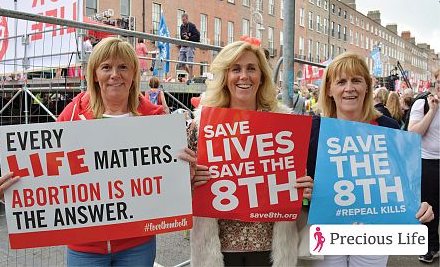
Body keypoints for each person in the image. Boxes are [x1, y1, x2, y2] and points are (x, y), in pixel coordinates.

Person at [0, 37, 165, 267]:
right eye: (106, 67)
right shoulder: (73, 114)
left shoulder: (156, 119)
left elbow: (168, 179)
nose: (115, 74)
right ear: (94, 74)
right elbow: (48, 168)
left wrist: (186, 173)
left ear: (134, 73)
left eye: (123, 66)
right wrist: (17, 194)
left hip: (137, 244)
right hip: (85, 247)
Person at [178, 40, 314, 266]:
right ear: (225, 76)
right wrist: (189, 182)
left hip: (271, 250)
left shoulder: (284, 126)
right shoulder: (201, 126)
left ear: (261, 77)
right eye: (236, 69)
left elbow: (297, 183)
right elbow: (177, 189)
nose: (244, 76)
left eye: (251, 68)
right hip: (218, 252)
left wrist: (306, 190)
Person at [306, 52, 434, 267]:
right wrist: (305, 191)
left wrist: (420, 205)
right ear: (329, 89)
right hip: (327, 227)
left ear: (367, 86)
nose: (349, 88)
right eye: (341, 81)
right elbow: (303, 179)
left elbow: (406, 183)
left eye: (357, 80)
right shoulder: (314, 129)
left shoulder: (388, 128)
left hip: (375, 231)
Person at [409, 68, 440, 264]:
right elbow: (412, 133)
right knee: (430, 207)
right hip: (428, 162)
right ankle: (432, 246)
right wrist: (433, 110)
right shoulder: (423, 102)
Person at [179, 13, 200, 81]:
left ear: (187, 19)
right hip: (183, 46)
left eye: (184, 20)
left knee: (190, 62)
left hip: (190, 46)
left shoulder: (192, 26)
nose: (183, 22)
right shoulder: (182, 26)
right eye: (182, 20)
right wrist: (184, 37)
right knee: (181, 63)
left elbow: (197, 36)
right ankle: (192, 75)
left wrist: (189, 37)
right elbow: (181, 36)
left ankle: (190, 78)